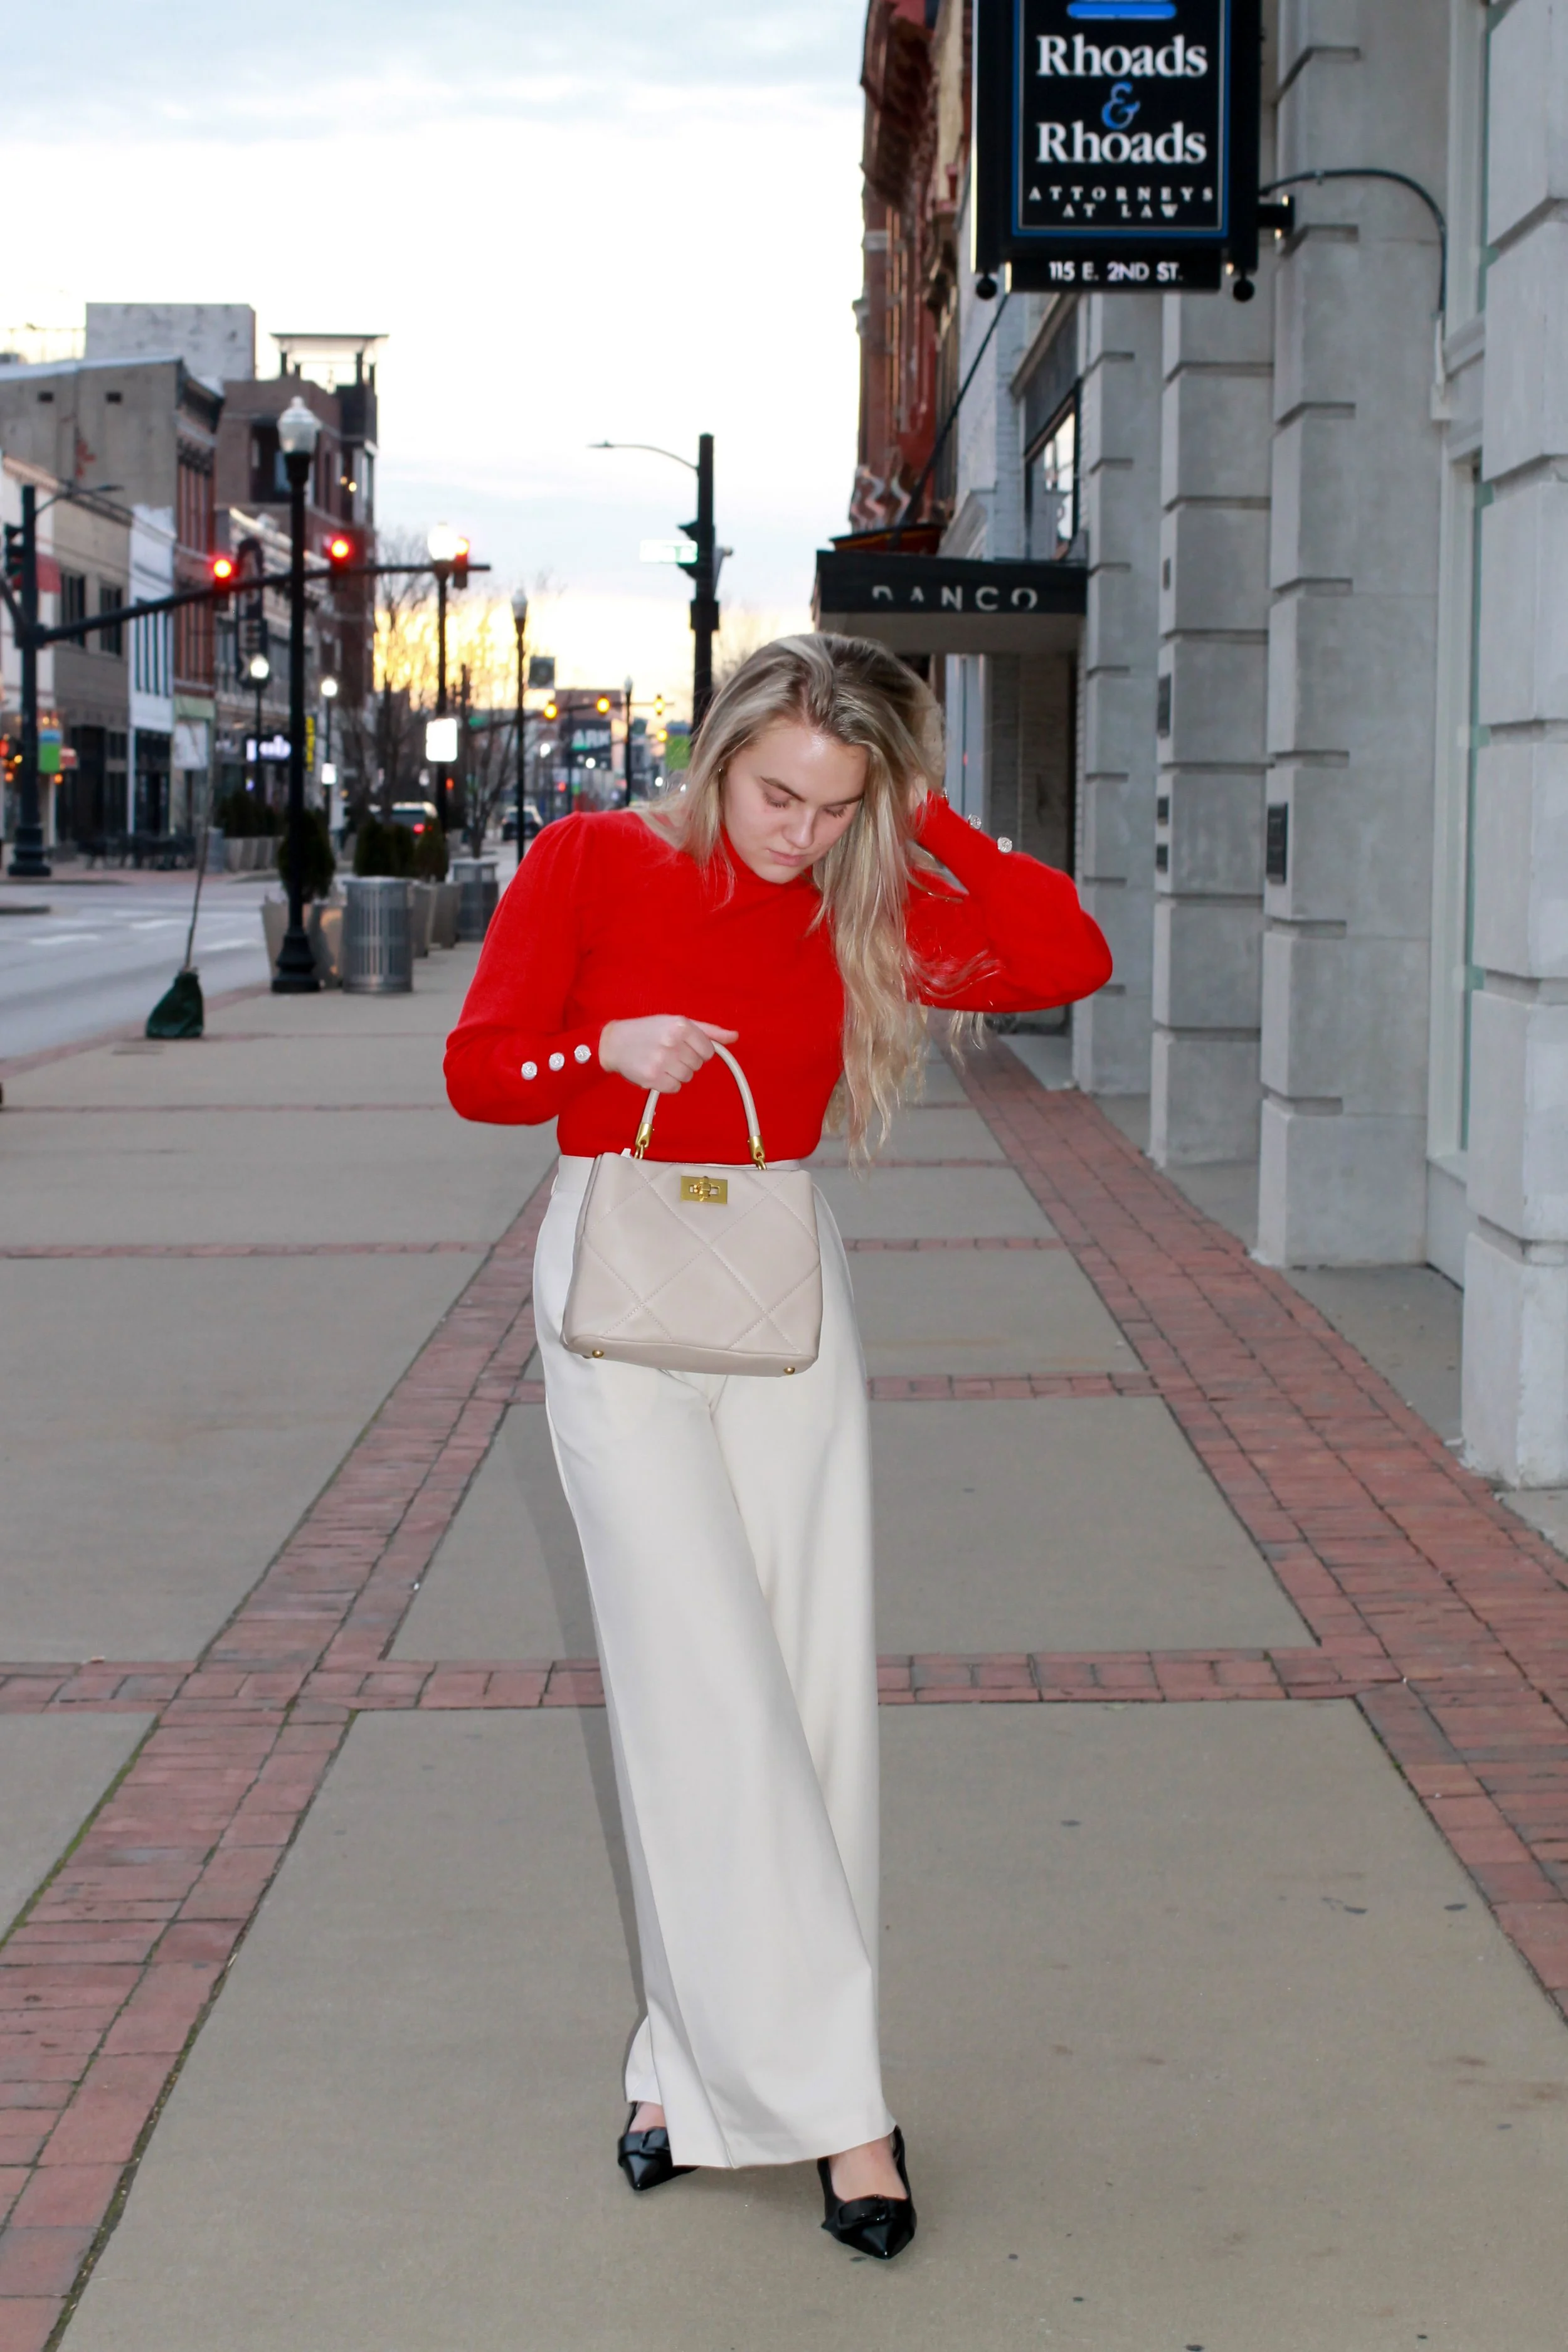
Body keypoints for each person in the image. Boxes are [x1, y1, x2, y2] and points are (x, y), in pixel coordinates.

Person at [445, 633, 1111, 2260]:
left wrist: (922, 813)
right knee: (703, 1689)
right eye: (772, 791)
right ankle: (844, 2111)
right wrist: (593, 1054)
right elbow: (478, 1069)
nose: (792, 831)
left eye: (831, 804)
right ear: (716, 750)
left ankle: (684, 2066)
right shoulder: (591, 858)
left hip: (777, 1292)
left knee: (803, 1688)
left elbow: (1066, 952)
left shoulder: (856, 902)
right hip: (612, 1287)